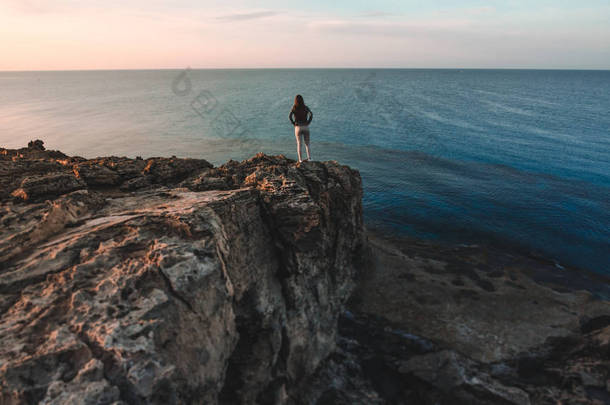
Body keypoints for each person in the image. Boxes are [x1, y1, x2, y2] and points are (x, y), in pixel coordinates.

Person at [289, 94, 313, 163]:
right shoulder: (305, 107)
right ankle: (309, 158)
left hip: (298, 127)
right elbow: (311, 114)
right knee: (307, 144)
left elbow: (289, 116)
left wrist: (293, 123)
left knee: (299, 143)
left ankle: (300, 160)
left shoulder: (294, 107)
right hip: (305, 126)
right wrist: (309, 122)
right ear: (302, 100)